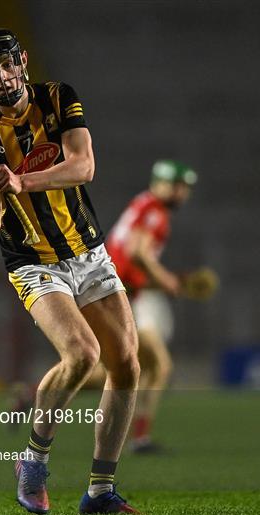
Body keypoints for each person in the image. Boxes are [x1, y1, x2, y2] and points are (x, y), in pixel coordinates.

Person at [0, 29, 140, 515]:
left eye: (7, 64)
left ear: (21, 62)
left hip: (88, 251)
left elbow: (83, 167)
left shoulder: (58, 98)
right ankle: (33, 463)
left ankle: (100, 490)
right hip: (33, 262)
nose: (2, 76)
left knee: (126, 365)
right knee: (82, 354)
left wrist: (20, 179)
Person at [105, 160, 198, 452]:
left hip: (116, 292)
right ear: (163, 185)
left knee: (119, 368)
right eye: (179, 186)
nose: (183, 193)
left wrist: (168, 281)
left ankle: (32, 396)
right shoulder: (156, 212)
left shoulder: (143, 204)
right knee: (158, 364)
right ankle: (139, 439)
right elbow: (138, 253)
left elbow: (132, 263)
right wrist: (169, 281)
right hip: (118, 296)